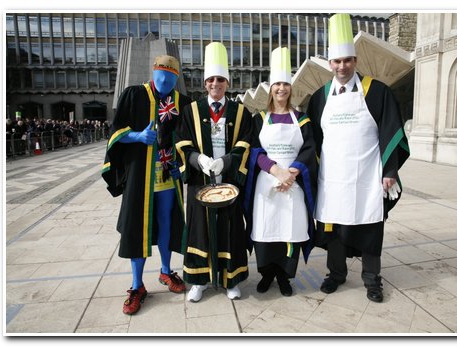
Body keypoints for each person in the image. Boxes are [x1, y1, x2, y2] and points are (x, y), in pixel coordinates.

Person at [306, 14, 410, 303]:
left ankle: (372, 280)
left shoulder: (377, 92)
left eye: (348, 60)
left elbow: (391, 131)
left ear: (355, 60)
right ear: (330, 64)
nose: (342, 66)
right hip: (333, 179)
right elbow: (312, 140)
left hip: (367, 177)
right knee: (335, 229)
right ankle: (336, 274)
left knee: (370, 228)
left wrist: (389, 169)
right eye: (337, 61)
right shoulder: (319, 97)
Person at [102, 55, 191, 314]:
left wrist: (182, 163)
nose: (164, 81)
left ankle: (165, 271)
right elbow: (116, 131)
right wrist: (138, 136)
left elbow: (188, 140)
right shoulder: (133, 95)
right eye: (160, 76)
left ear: (177, 79)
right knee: (137, 227)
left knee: (167, 221)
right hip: (140, 174)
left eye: (170, 78)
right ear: (153, 73)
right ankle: (137, 285)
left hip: (167, 176)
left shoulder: (183, 103)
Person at [175, 42, 252, 303]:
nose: (215, 84)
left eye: (220, 79)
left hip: (228, 183)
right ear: (205, 83)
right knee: (199, 230)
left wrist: (227, 161)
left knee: (230, 231)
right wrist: (199, 160)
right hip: (200, 183)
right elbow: (182, 143)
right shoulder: (191, 111)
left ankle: (231, 280)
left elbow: (246, 143)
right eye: (211, 80)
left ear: (227, 83)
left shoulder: (240, 112)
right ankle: (198, 281)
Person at [243, 47, 317, 297]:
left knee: (290, 229)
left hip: (293, 183)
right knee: (267, 229)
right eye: (277, 85)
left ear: (290, 88)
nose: (281, 89)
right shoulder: (260, 118)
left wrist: (292, 173)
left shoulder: (302, 119)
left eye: (286, 84)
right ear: (271, 88)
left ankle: (285, 276)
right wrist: (275, 169)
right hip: (267, 183)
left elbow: (310, 149)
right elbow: (254, 151)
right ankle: (267, 274)